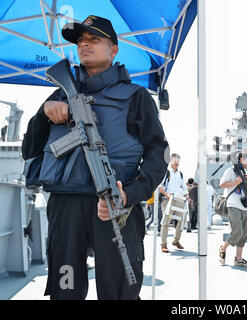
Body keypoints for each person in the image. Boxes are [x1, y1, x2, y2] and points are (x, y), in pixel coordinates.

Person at [21, 15, 168, 300]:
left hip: (115, 206)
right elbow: (31, 149)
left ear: (114, 49)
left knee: (119, 293)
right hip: (65, 209)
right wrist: (44, 112)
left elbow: (157, 154)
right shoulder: (58, 93)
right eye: (81, 42)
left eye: (94, 39)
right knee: (66, 291)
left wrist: (129, 195)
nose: (84, 45)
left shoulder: (137, 97)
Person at [218, 150, 247, 268]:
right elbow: (222, 184)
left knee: (245, 233)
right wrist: (236, 182)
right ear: (241, 159)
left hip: (243, 205)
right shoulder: (230, 171)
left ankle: (238, 259)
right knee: (237, 231)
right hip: (233, 204)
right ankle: (223, 248)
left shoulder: (246, 173)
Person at [158, 153, 188, 253]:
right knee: (165, 222)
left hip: (179, 199)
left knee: (182, 220)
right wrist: (167, 195)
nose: (177, 163)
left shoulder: (180, 174)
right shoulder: (166, 172)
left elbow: (183, 187)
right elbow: (160, 187)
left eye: (178, 161)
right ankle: (163, 244)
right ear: (170, 161)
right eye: (175, 161)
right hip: (168, 199)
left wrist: (186, 194)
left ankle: (176, 240)